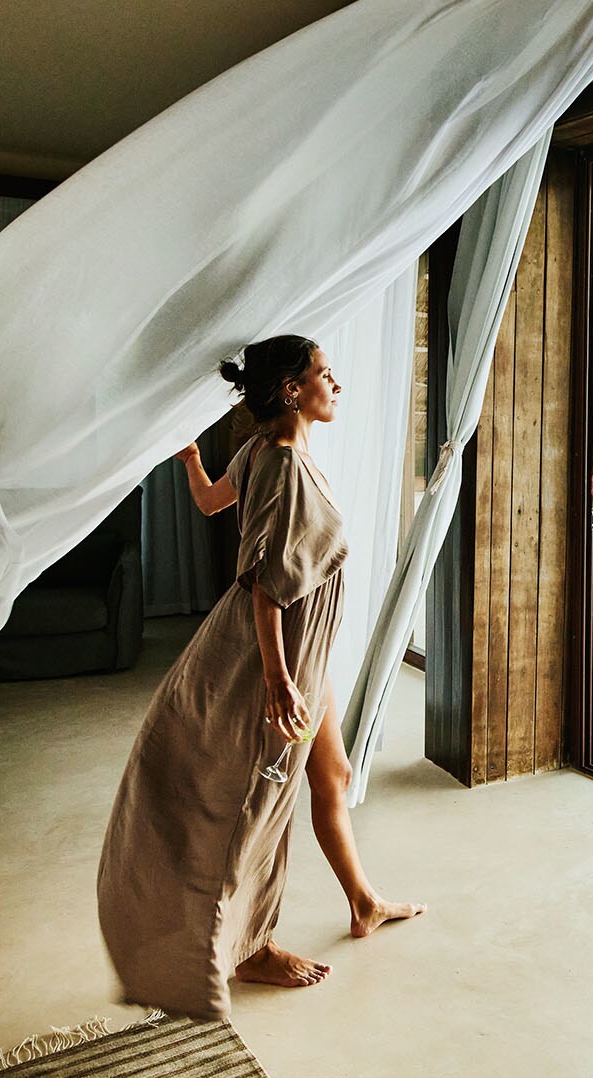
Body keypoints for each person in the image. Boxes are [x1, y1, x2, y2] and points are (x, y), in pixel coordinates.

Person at [97, 334, 424, 1020]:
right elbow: (265, 587)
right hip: (276, 657)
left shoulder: (266, 453)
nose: (336, 386)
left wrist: (189, 456)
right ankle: (249, 947)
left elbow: (212, 502)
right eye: (325, 376)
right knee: (261, 803)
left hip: (305, 656)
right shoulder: (277, 463)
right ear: (289, 389)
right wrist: (277, 681)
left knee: (329, 775)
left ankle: (362, 901)